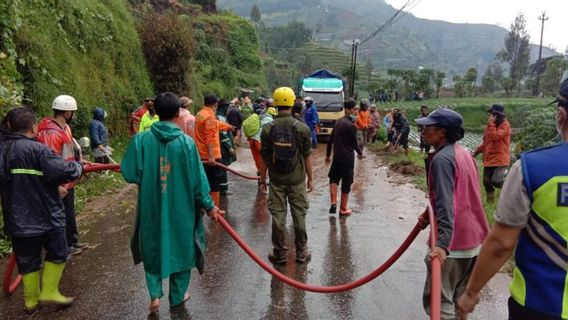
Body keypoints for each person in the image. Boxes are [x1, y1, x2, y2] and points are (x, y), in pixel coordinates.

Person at [457, 78, 568, 320]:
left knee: (498, 183)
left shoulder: (532, 166)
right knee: (488, 184)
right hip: (489, 160)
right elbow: (487, 141)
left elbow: (501, 244)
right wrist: (475, 150)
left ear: (560, 115)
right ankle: (494, 203)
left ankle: (506, 208)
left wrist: (471, 292)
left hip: (540, 306)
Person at [121, 92, 224, 314]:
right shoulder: (186, 144)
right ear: (178, 113)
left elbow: (129, 172)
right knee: (183, 249)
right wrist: (210, 206)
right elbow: (198, 182)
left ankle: (155, 296)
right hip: (182, 210)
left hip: (152, 208)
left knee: (152, 246)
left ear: (155, 112)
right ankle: (177, 296)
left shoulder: (140, 140)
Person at [0, 107, 83, 313]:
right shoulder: (38, 150)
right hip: (46, 215)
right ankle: (49, 291)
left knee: (26, 259)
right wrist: (79, 168)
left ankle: (31, 302)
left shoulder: (2, 151)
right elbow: (64, 169)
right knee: (58, 252)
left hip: (16, 219)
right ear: (33, 126)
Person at [415, 108, 489, 320]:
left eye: (428, 128)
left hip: (453, 246)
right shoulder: (463, 154)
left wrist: (442, 244)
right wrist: (426, 216)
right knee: (459, 302)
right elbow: (460, 195)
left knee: (441, 305)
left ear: (442, 133)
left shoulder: (442, 160)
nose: (423, 131)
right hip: (474, 242)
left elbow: (446, 203)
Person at [260, 87, 313, 265]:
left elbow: (265, 158)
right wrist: (311, 179)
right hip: (297, 180)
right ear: (292, 103)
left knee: (278, 216)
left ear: (275, 103)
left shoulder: (268, 129)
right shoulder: (302, 128)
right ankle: (301, 252)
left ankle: (280, 253)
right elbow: (307, 157)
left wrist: (262, 178)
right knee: (299, 215)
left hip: (276, 180)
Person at [37, 95, 88, 256]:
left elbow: (70, 150)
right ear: (67, 113)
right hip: (58, 184)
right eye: (72, 112)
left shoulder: (65, 128)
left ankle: (72, 241)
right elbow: (48, 162)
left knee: (69, 213)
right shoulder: (50, 133)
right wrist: (57, 185)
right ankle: (61, 249)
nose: (73, 115)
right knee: (59, 216)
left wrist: (80, 163)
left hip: (68, 180)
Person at [194, 94, 234, 208]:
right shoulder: (209, 117)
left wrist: (227, 126)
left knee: (204, 181)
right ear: (216, 104)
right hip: (211, 157)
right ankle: (214, 209)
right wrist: (211, 156)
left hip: (201, 154)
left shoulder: (201, 114)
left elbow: (215, 125)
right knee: (215, 183)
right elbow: (210, 137)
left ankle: (204, 207)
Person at [326, 98, 363, 216]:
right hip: (347, 159)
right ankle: (343, 209)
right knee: (346, 183)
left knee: (333, 179)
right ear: (347, 110)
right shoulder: (352, 126)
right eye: (354, 109)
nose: (356, 111)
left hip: (337, 157)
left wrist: (327, 155)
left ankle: (333, 202)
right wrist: (360, 153)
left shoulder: (337, 122)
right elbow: (354, 143)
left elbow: (330, 140)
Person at [473, 104, 511, 203]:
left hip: (500, 159)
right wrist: (475, 153)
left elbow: (496, 137)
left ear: (496, 115)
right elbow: (486, 143)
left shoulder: (505, 125)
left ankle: (512, 189)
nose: (489, 116)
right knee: (486, 182)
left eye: (491, 114)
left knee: (496, 181)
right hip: (489, 158)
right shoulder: (489, 127)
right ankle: (491, 203)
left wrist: (490, 124)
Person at [217, 99, 237, 196]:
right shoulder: (220, 117)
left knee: (221, 168)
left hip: (219, 147)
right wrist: (229, 147)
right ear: (223, 107)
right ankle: (223, 189)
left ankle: (219, 187)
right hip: (222, 148)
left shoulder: (219, 116)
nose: (228, 109)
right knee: (223, 167)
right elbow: (223, 135)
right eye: (227, 107)